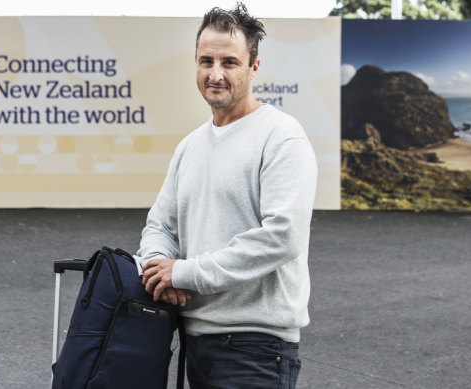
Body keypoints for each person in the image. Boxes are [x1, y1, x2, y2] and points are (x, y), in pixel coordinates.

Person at [137, 3, 317, 388]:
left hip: (257, 348)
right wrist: (157, 267)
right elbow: (161, 224)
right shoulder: (189, 146)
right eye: (206, 61)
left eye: (230, 62)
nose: (215, 74)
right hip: (194, 340)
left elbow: (282, 236)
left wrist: (185, 273)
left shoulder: (281, 136)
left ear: (254, 66)